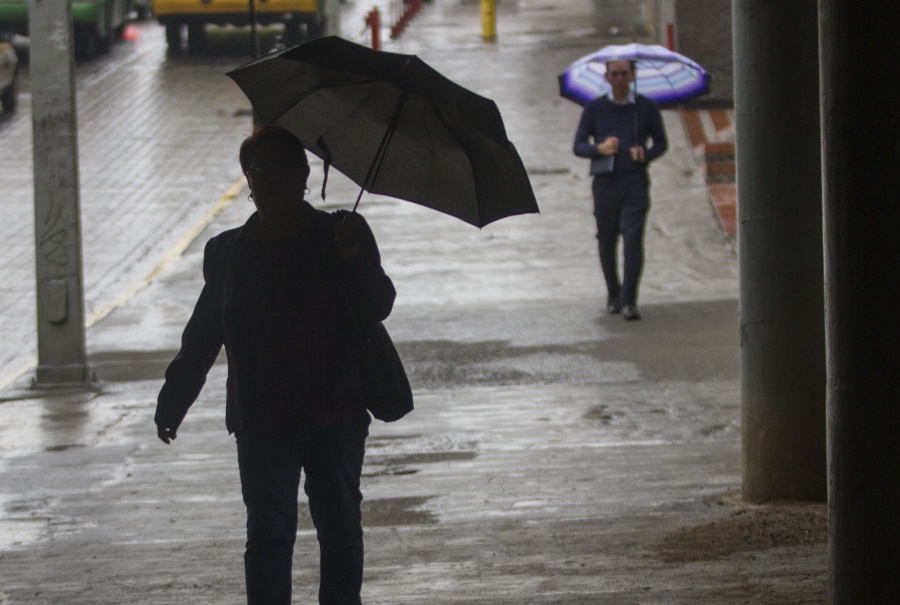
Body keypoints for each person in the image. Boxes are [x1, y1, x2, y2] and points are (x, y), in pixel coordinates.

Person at [154, 125, 396, 605]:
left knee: (341, 527)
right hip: (262, 420)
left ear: (305, 175)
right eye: (259, 169)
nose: (271, 179)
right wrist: (173, 400)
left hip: (335, 412)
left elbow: (378, 304)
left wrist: (353, 258)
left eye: (283, 168)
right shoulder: (225, 253)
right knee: (267, 532)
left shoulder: (340, 234)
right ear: (248, 179)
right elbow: (204, 333)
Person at [573, 59, 668, 320]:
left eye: (624, 74)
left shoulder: (646, 107)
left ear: (632, 75)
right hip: (605, 184)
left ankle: (629, 300)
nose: (619, 79)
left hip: (635, 182)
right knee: (606, 240)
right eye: (614, 74)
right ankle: (613, 294)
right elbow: (578, 145)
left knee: (633, 238)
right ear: (606, 77)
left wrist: (645, 154)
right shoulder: (594, 109)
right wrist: (599, 149)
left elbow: (661, 143)